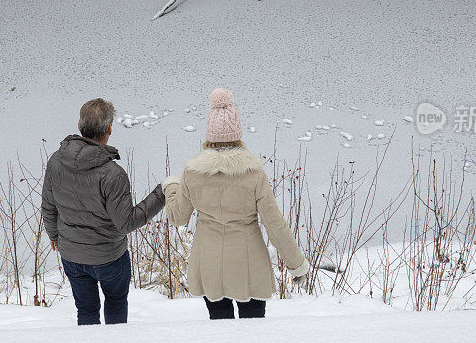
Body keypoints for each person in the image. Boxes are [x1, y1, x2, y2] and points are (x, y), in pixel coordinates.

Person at [162, 88, 310, 319]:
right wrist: (296, 265)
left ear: (209, 136)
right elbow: (275, 224)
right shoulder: (254, 174)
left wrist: (171, 186)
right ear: (238, 135)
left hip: (210, 266)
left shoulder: (192, 173)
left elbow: (177, 217)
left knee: (221, 331)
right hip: (249, 267)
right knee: (253, 333)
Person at [41, 98, 165, 325]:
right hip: (110, 257)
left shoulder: (56, 161)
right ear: (109, 129)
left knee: (86, 310)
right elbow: (126, 223)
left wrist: (55, 237)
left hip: (72, 256)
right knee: (116, 302)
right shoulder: (112, 174)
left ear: (80, 126)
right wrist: (161, 194)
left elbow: (48, 206)